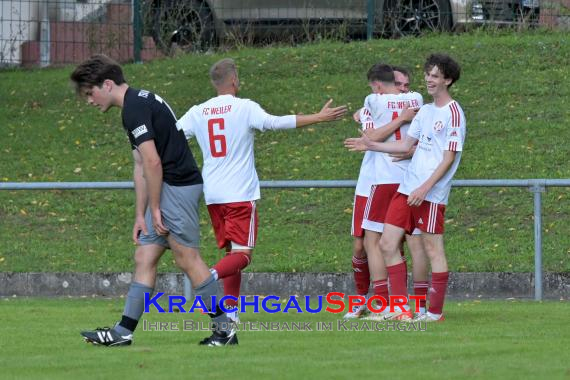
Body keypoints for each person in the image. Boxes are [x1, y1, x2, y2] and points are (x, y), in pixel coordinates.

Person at [70, 54, 236, 347]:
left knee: (187, 258)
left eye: (90, 93)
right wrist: (141, 213)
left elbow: (153, 163)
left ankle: (225, 330)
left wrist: (156, 208)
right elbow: (140, 165)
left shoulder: (135, 107)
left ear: (107, 84)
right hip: (165, 187)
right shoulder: (135, 104)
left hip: (178, 186)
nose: (90, 101)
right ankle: (123, 332)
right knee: (144, 256)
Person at [177, 58, 347, 320]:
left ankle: (230, 312)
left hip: (213, 194)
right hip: (240, 193)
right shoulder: (244, 107)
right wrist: (318, 117)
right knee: (243, 256)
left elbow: (173, 135)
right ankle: (207, 279)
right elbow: (274, 122)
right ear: (234, 80)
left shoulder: (199, 111)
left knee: (232, 252)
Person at [345, 53, 465, 322]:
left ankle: (433, 312)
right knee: (387, 243)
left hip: (429, 192)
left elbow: (449, 157)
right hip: (407, 187)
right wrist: (371, 145)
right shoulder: (424, 111)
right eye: (428, 74)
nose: (429, 80)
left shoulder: (454, 113)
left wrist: (425, 187)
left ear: (448, 80)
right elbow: (404, 145)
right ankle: (400, 309)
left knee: (432, 248)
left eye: (435, 76)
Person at [344, 64, 421, 319]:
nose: (404, 89)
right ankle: (370, 301)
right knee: (362, 245)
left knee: (392, 242)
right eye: (399, 84)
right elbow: (371, 136)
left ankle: (390, 302)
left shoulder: (409, 104)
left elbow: (371, 139)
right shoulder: (380, 106)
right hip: (370, 181)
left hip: (393, 178)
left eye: (407, 85)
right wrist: (402, 118)